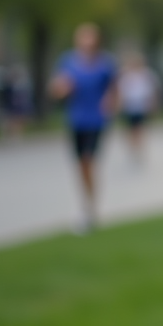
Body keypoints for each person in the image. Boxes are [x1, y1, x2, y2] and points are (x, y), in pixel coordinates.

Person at [50, 23, 116, 233]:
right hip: (75, 120)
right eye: (82, 38)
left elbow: (114, 89)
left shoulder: (105, 64)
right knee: (80, 165)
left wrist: (110, 103)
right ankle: (87, 205)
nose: (86, 42)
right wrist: (62, 89)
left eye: (90, 38)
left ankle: (90, 208)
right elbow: (57, 89)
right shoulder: (68, 62)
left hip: (96, 119)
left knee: (88, 161)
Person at [117, 52, 160, 164]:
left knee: (139, 128)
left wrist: (153, 104)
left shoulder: (147, 74)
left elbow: (153, 91)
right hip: (129, 105)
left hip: (141, 105)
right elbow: (120, 91)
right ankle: (133, 147)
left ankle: (139, 147)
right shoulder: (125, 75)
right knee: (130, 130)